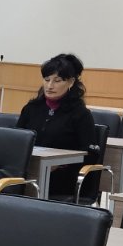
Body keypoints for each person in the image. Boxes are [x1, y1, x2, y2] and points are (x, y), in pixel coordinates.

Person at [15, 53, 93, 199]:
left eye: (57, 81)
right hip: (29, 171)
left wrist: (61, 164)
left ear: (71, 82)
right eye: (47, 80)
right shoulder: (31, 109)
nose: (50, 86)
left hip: (63, 178)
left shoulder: (80, 114)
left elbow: (88, 154)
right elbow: (17, 139)